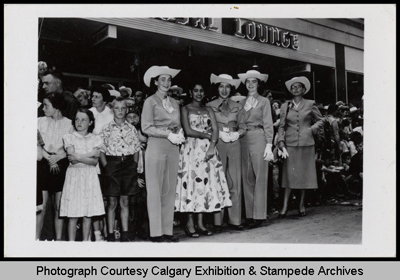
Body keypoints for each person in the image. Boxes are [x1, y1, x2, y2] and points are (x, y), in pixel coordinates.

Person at [175, 81, 232, 238]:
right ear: (191, 92)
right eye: (196, 90)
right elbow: (188, 130)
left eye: (201, 91)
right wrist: (206, 135)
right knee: (191, 184)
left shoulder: (208, 109)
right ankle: (189, 223)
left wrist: (212, 145)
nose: (199, 93)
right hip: (191, 150)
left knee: (204, 185)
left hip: (208, 150)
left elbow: (215, 129)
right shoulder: (185, 108)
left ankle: (200, 223)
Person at [141, 66, 185, 242]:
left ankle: (168, 230)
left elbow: (178, 123)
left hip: (173, 146)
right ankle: (156, 233)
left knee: (169, 188)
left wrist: (179, 133)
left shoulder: (174, 103)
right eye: (163, 79)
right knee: (155, 189)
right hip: (157, 144)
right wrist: (167, 134)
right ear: (155, 81)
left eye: (169, 79)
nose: (166, 83)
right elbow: (146, 127)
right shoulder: (150, 101)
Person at [277, 76, 324, 218]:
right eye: (293, 87)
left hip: (306, 143)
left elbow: (321, 120)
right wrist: (280, 141)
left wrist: (311, 129)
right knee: (289, 176)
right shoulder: (285, 106)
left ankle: (301, 204)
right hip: (290, 143)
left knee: (304, 175)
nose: (295, 89)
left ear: (304, 90)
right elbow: (281, 125)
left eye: (298, 86)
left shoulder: (310, 104)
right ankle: (284, 206)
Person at [100, 97, 142, 242]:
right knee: (112, 202)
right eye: (117, 108)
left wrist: (134, 165)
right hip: (113, 165)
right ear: (112, 110)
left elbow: (136, 148)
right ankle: (110, 234)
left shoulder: (131, 128)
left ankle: (125, 233)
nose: (120, 111)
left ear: (127, 110)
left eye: (123, 108)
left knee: (125, 202)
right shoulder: (106, 128)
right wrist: (106, 166)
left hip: (128, 164)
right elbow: (101, 150)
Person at [59, 109, 106, 241]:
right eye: (77, 119)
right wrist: (89, 154)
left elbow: (94, 161)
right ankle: (72, 245)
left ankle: (86, 244)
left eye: (83, 120)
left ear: (90, 122)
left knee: (87, 214)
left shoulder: (96, 139)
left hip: (90, 177)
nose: (79, 122)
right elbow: (72, 160)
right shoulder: (68, 137)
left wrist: (78, 156)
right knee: (73, 214)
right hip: (74, 176)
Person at [206, 73, 245, 231]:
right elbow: (206, 125)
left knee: (234, 179)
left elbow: (243, 126)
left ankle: (235, 220)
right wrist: (215, 134)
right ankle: (217, 221)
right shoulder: (210, 105)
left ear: (231, 88)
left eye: (227, 86)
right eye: (221, 86)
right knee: (217, 180)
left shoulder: (238, 106)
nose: (224, 89)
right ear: (217, 88)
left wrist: (237, 133)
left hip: (234, 143)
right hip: (218, 143)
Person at [237, 70, 274, 228]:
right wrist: (245, 109)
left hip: (259, 137)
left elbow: (268, 123)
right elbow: (239, 123)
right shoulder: (241, 102)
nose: (251, 84)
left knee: (260, 177)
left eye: (254, 81)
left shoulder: (264, 101)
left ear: (259, 84)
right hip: (244, 139)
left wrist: (269, 144)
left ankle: (259, 215)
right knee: (247, 178)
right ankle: (250, 215)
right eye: (248, 82)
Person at [37, 92, 74, 240]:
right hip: (44, 164)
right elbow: (37, 144)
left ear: (57, 107)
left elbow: (70, 147)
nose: (43, 108)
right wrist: (49, 158)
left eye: (47, 105)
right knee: (42, 206)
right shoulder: (39, 121)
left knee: (59, 206)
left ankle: (58, 240)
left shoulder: (69, 124)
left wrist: (57, 158)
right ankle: (37, 240)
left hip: (61, 164)